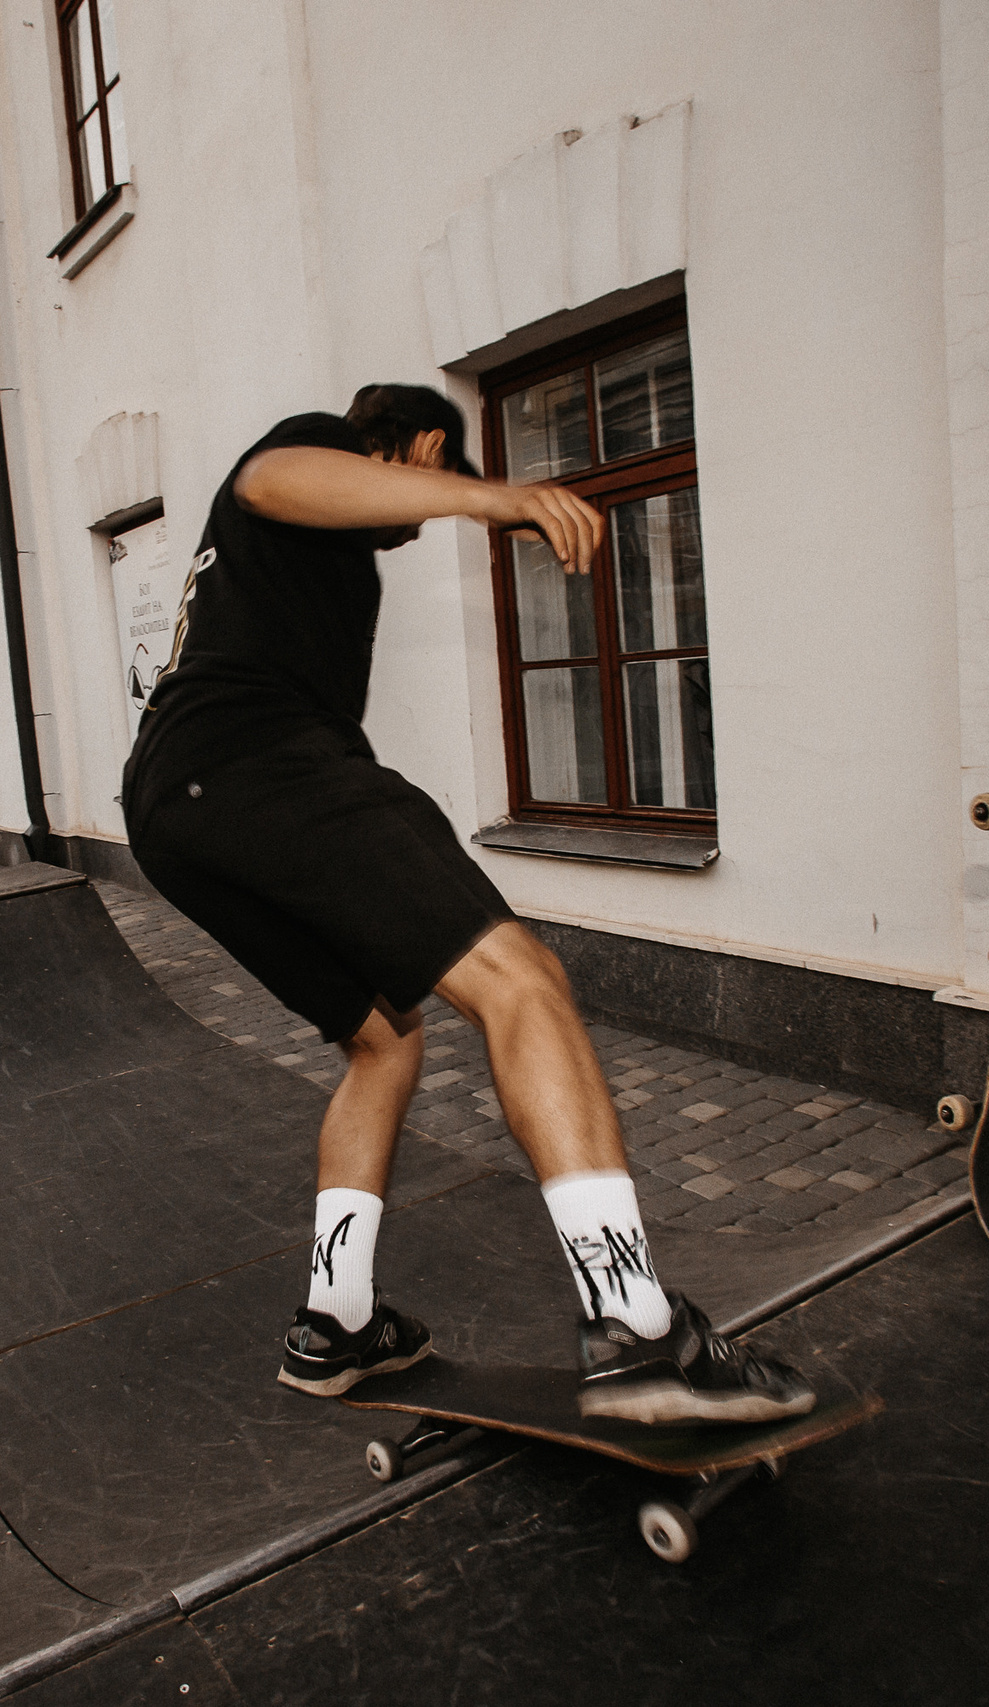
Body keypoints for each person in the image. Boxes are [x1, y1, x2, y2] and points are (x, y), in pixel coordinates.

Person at [124, 385, 814, 1426]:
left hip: (173, 805)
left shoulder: (298, 562)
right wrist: (490, 497)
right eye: (427, 476)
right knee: (521, 984)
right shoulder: (315, 447)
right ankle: (633, 1325)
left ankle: (336, 1319)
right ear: (421, 446)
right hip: (260, 762)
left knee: (383, 1042)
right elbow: (272, 478)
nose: (407, 521)